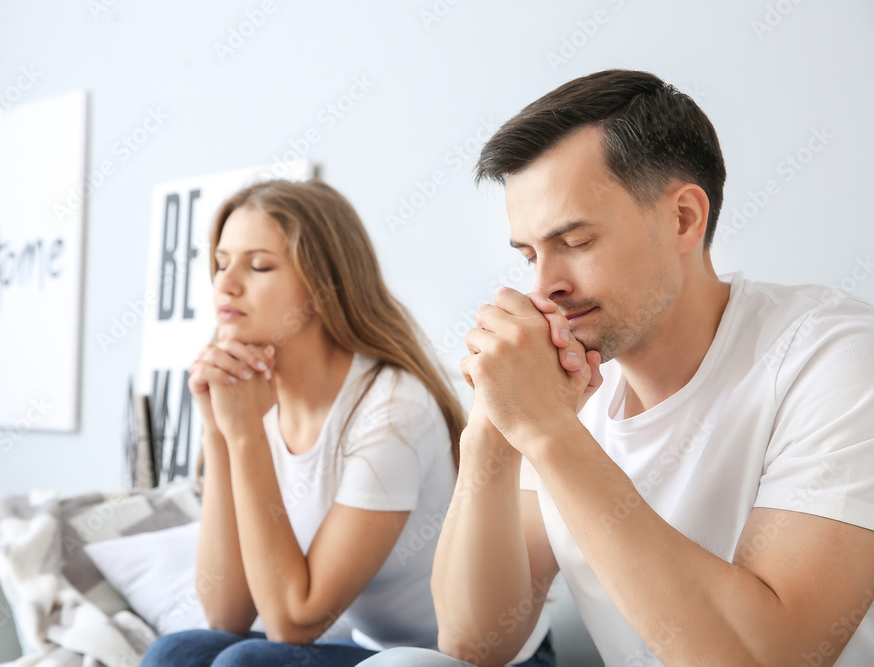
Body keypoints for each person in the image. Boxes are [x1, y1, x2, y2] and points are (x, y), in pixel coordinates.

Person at [358, 69, 874, 666]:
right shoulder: (566, 389)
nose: (544, 287)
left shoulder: (830, 356)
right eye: (530, 254)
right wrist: (492, 432)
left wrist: (549, 432)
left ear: (683, 218)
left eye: (575, 243)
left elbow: (769, 660)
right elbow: (475, 643)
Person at [141, 178, 470, 667]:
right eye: (221, 263)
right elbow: (226, 612)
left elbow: (294, 621)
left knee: (246, 663)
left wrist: (246, 436)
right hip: (368, 648)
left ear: (322, 288)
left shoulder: (394, 410)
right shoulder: (248, 397)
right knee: (177, 652)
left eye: (258, 266)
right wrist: (218, 429)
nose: (226, 285)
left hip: (460, 658)